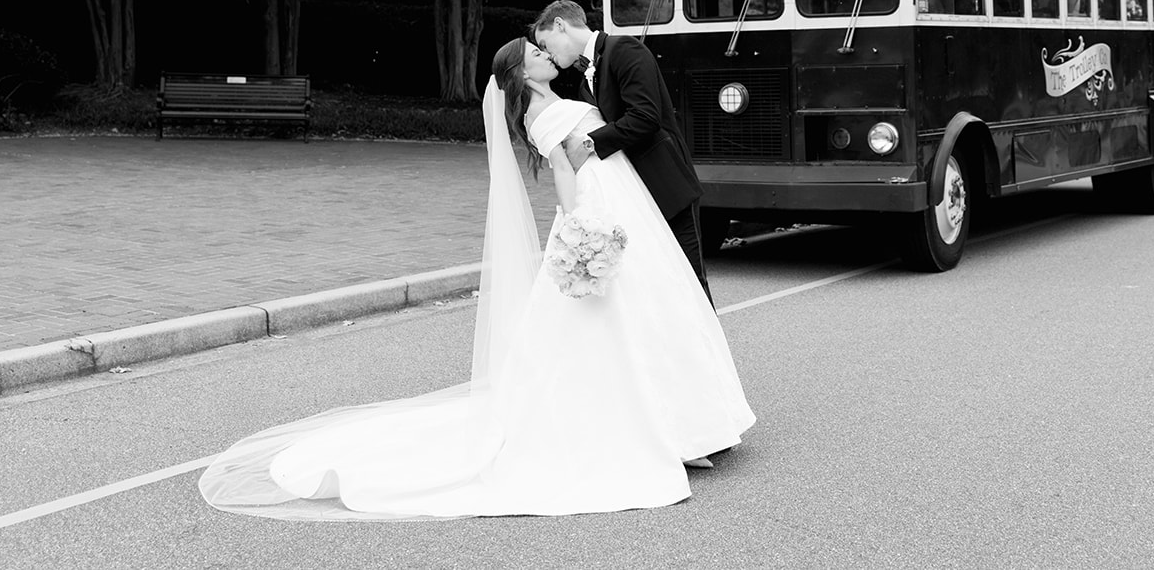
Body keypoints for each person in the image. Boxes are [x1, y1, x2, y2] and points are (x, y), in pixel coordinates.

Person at [197, 37, 754, 520]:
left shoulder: (564, 99)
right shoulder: (543, 116)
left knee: (651, 312)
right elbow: (565, 171)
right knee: (617, 325)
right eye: (535, 54)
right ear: (520, 75)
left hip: (625, 204)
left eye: (542, 47)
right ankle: (657, 430)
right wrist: (582, 230)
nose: (543, 55)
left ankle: (684, 425)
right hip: (599, 210)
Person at [531, 0, 711, 299]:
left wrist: (589, 143)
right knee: (657, 290)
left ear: (560, 25)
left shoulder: (624, 50)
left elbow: (645, 117)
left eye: (545, 44)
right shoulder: (584, 83)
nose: (548, 55)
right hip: (632, 197)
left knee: (691, 285)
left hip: (667, 188)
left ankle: (711, 348)